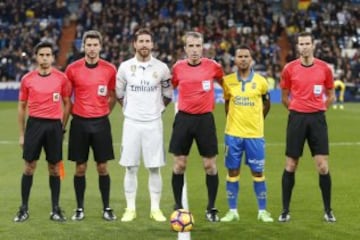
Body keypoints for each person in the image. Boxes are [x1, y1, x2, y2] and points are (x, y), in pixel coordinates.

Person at [115, 28, 173, 222]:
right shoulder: (124, 67)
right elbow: (119, 94)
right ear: (135, 44)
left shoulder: (162, 68)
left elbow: (167, 95)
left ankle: (155, 209)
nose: (144, 45)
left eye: (147, 41)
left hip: (153, 124)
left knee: (154, 167)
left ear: (152, 44)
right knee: (130, 167)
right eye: (141, 41)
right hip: (131, 123)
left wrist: (156, 110)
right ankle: (130, 208)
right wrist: (131, 110)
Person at [279, 32, 336, 222]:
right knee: (291, 165)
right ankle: (285, 211)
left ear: (313, 45)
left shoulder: (324, 68)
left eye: (307, 43)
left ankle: (328, 210)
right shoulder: (289, 69)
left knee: (322, 166)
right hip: (297, 119)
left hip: (317, 120)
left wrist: (320, 110)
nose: (304, 47)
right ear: (297, 47)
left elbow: (331, 95)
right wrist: (297, 111)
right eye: (301, 43)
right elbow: (285, 97)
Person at [169, 31, 224, 222]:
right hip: (184, 119)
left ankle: (211, 207)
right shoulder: (177, 68)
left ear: (203, 47)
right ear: (185, 48)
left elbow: (224, 83)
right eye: (190, 46)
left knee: (210, 165)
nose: (194, 50)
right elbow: (171, 87)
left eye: (197, 46)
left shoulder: (213, 66)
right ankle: (177, 205)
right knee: (179, 164)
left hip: (205, 120)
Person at [14, 41, 71, 222]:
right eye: (41, 55)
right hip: (35, 125)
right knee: (29, 167)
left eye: (48, 55)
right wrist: (22, 134)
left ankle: (55, 209)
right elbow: (22, 106)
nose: (45, 58)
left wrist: (62, 127)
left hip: (54, 126)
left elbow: (68, 103)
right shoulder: (27, 79)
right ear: (36, 57)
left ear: (53, 57)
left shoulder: (61, 78)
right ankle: (23, 209)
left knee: (54, 168)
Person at [65, 30, 117, 221]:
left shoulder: (110, 69)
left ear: (100, 47)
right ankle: (79, 208)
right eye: (89, 45)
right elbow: (67, 99)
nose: (92, 48)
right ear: (83, 47)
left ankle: (107, 208)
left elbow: (112, 96)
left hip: (101, 123)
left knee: (102, 167)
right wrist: (75, 114)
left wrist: (103, 112)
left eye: (95, 45)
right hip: (79, 122)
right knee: (80, 168)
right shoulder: (72, 69)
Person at [220, 46, 273, 223]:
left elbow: (267, 103)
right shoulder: (227, 81)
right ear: (235, 60)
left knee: (258, 173)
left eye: (246, 56)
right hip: (233, 134)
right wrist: (233, 122)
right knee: (233, 171)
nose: (243, 59)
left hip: (255, 135)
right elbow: (227, 105)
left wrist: (258, 120)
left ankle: (263, 211)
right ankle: (232, 210)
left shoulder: (261, 81)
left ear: (251, 60)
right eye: (240, 56)